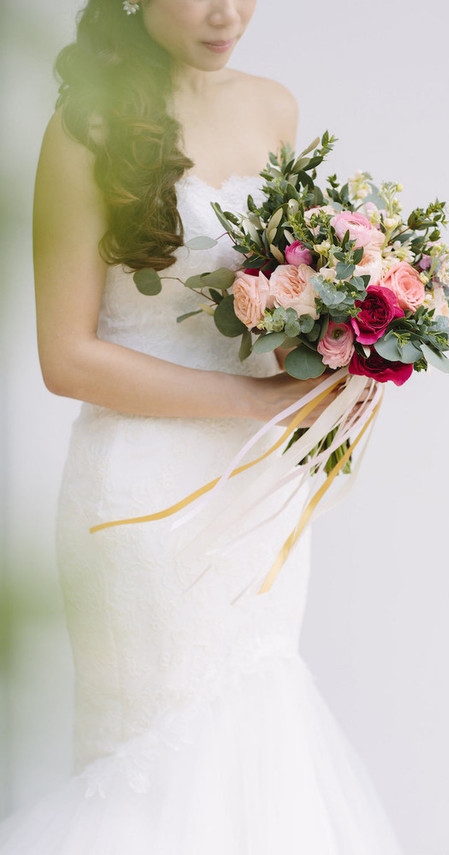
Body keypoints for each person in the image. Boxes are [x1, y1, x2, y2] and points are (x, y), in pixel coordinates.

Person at [0, 1, 402, 852]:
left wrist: (348, 345)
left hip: (256, 496)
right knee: (156, 765)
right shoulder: (87, 129)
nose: (229, 13)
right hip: (139, 497)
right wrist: (252, 405)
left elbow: (283, 292)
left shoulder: (275, 108)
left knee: (256, 743)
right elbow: (63, 356)